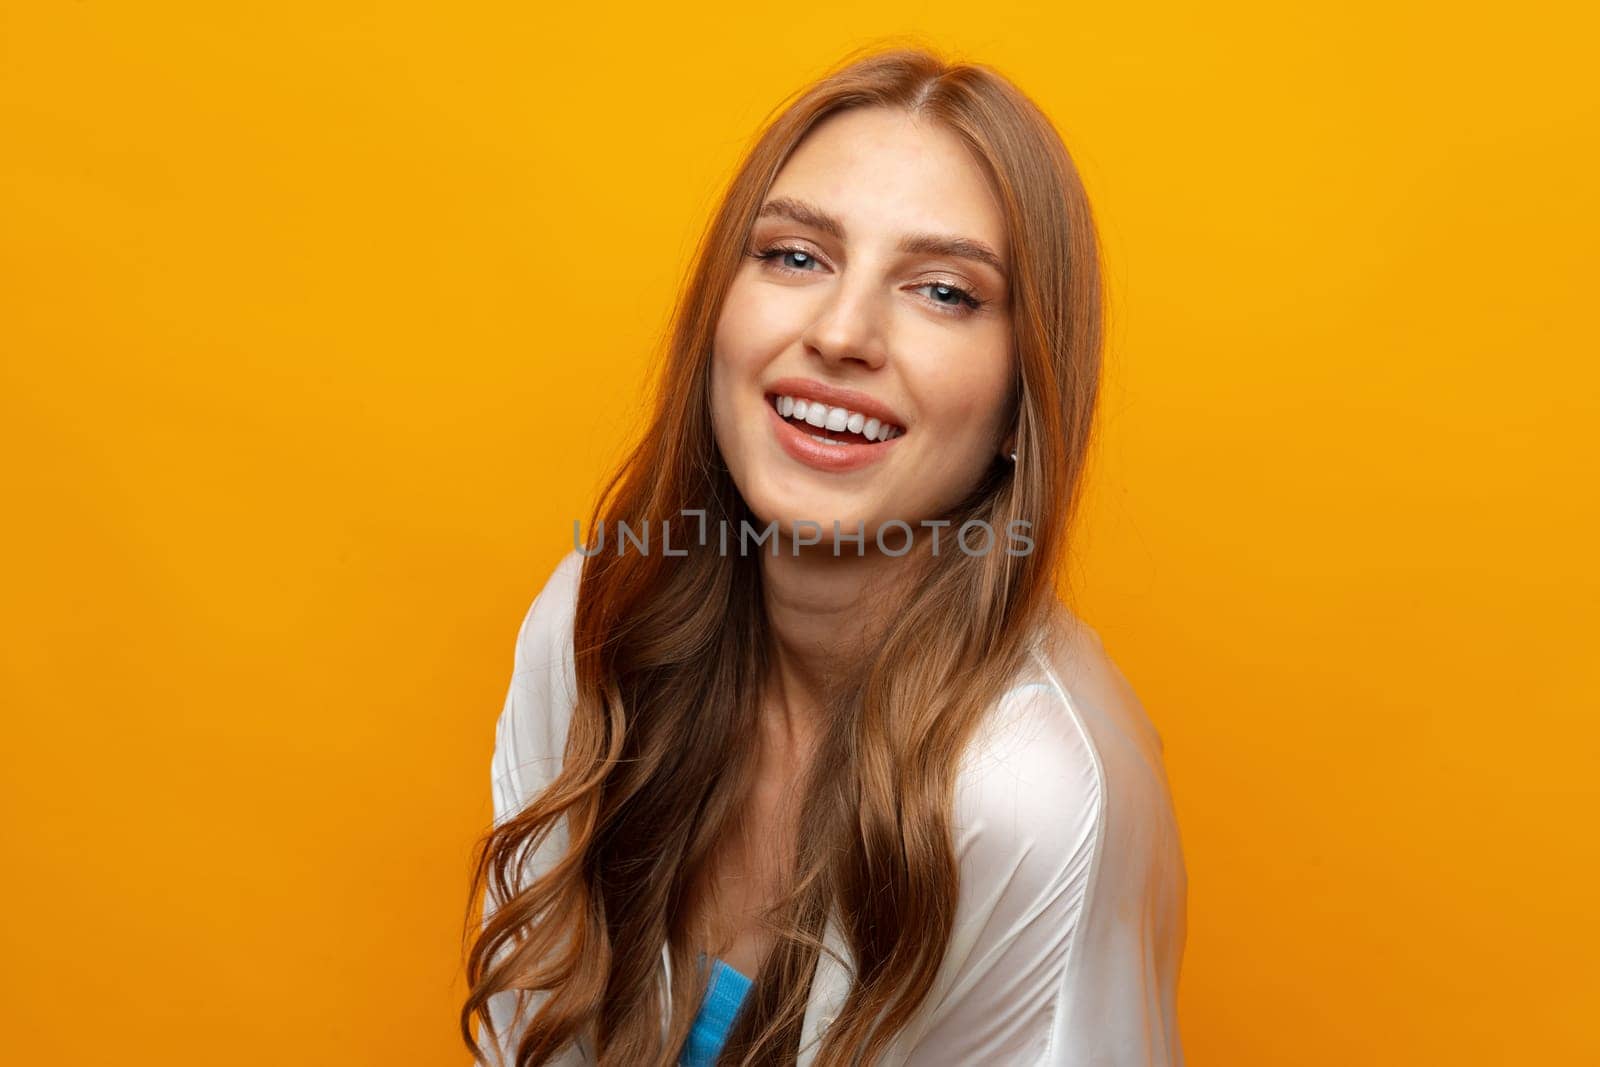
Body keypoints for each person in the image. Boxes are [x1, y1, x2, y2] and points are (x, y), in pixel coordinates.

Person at [462, 45, 1188, 1067]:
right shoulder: (594, 629)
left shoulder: (1031, 795)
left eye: (942, 291)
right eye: (795, 257)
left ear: (1026, 405)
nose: (842, 332)